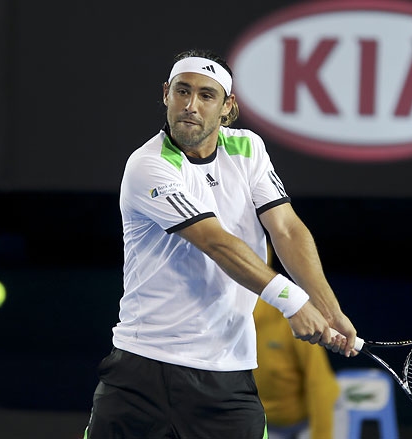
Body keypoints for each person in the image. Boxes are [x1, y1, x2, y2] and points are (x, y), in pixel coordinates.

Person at [83, 48, 358, 439]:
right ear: (166, 94)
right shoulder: (149, 164)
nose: (190, 105)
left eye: (206, 95)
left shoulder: (248, 149)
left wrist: (329, 309)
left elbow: (286, 229)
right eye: (182, 91)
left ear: (227, 106)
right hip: (142, 370)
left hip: (228, 376)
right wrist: (294, 302)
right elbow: (216, 243)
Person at [254, 271, 340, 439]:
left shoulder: (292, 320)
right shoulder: (224, 321)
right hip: (268, 422)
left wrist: (321, 435)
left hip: (314, 416)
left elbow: (318, 383)